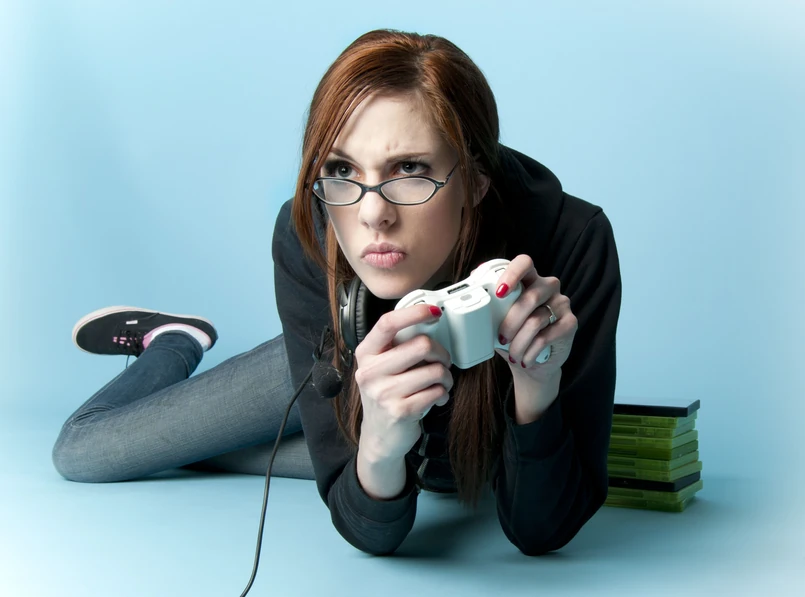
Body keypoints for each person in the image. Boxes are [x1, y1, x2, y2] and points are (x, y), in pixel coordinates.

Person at [53, 29, 622, 557]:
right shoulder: (313, 227)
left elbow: (543, 530)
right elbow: (370, 531)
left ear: (473, 180)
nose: (373, 214)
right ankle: (175, 342)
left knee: (197, 453)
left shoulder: (570, 242)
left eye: (409, 168)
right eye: (343, 170)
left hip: (455, 456)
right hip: (333, 362)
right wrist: (378, 444)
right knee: (85, 452)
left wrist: (537, 385)